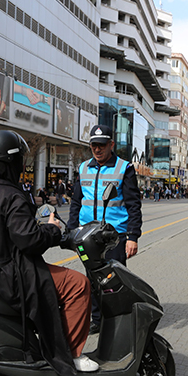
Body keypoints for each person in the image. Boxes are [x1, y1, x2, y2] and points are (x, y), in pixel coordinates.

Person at [0, 130, 95, 376]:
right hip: (10, 275)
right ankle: (70, 355)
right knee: (78, 284)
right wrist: (53, 230)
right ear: (13, 163)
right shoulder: (12, 196)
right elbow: (30, 241)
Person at [69, 124, 143, 333]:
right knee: (92, 280)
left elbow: (133, 205)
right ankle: (97, 320)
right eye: (94, 145)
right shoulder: (83, 168)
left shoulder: (124, 168)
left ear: (111, 144)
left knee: (114, 281)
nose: (98, 149)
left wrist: (133, 236)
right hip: (87, 237)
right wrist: (72, 232)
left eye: (102, 145)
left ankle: (119, 319)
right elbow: (76, 202)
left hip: (115, 237)